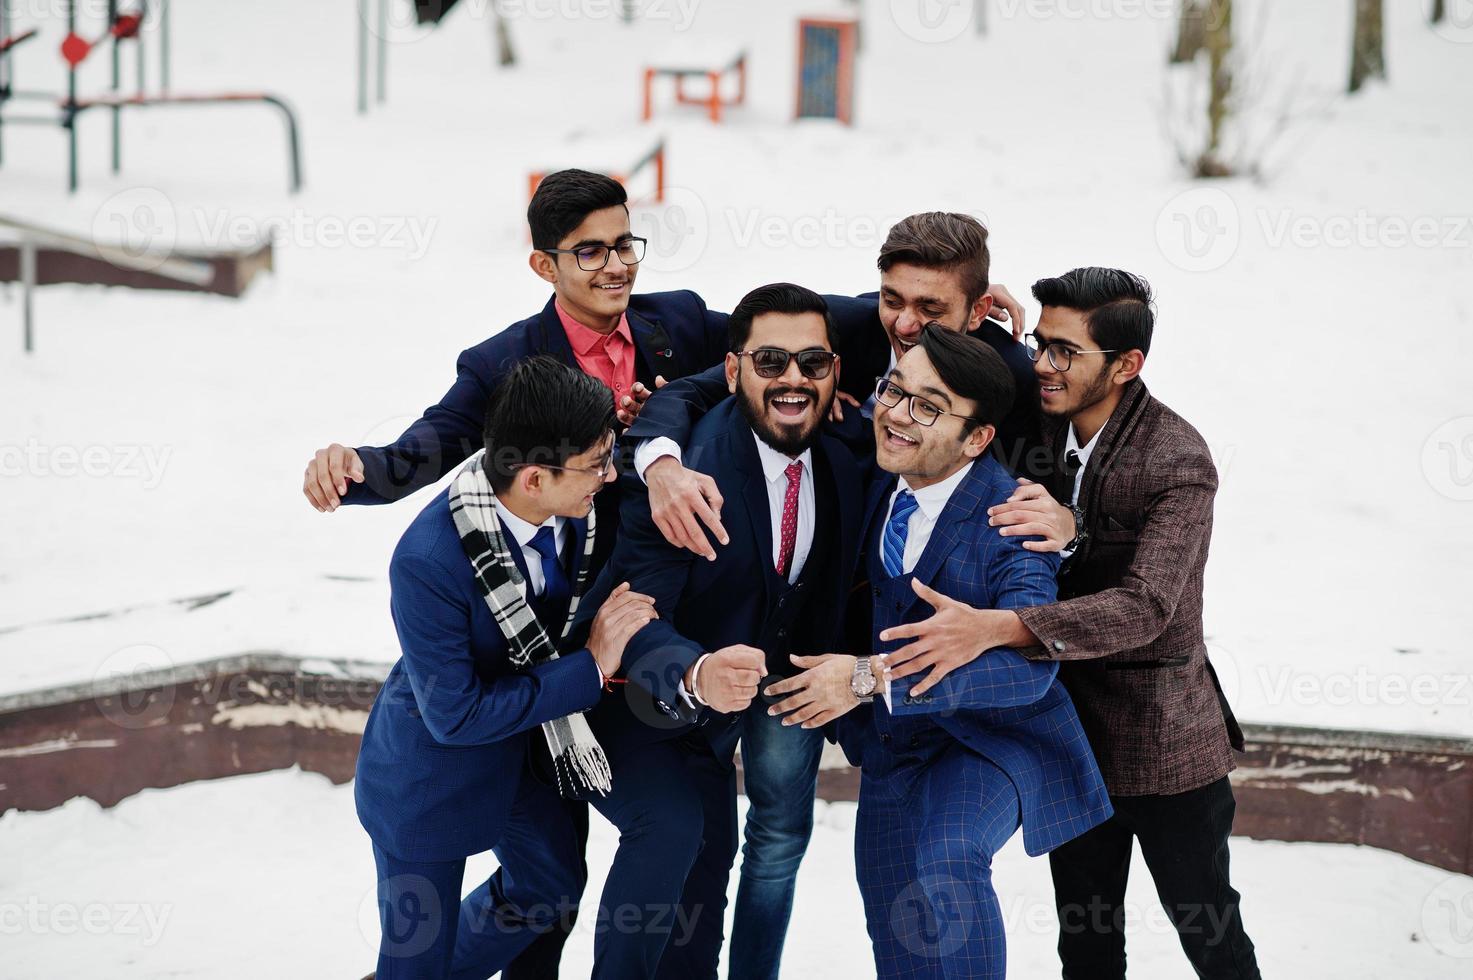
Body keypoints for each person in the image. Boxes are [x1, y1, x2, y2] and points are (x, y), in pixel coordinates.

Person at [621, 213, 1074, 979]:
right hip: (866, 722)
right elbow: (714, 375)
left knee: (927, 859)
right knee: (882, 911)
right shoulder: (859, 412)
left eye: (928, 311)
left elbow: (1032, 632)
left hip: (959, 727)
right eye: (894, 391)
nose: (902, 322)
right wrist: (659, 457)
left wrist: (1065, 524)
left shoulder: (1004, 441)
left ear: (975, 312)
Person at [883, 269, 1261, 979]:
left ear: (1125, 365)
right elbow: (958, 383)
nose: (1042, 366)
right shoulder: (1039, 418)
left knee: (1207, 926)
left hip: (1162, 740)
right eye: (1038, 343)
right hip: (1067, 731)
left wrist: (1003, 623)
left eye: (1065, 352)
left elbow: (1146, 606)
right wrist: (985, 326)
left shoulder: (1178, 460)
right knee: (1084, 937)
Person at [763, 325, 1112, 979]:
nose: (896, 414)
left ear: (977, 438)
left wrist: (871, 676)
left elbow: (1029, 665)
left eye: (927, 407)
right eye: (895, 391)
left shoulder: (1010, 518)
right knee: (897, 929)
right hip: (895, 746)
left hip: (994, 741)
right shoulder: (871, 471)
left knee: (948, 854)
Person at [572, 283, 866, 979]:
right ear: (731, 373)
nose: (793, 378)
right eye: (769, 361)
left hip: (773, 699)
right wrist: (694, 672)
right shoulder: (683, 475)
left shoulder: (850, 455)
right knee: (680, 877)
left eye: (812, 363)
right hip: (660, 715)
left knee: (749, 859)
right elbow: (627, 612)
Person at [353, 356, 658, 979]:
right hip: (428, 779)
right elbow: (456, 716)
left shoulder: (577, 506)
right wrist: (592, 667)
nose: (609, 474)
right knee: (414, 964)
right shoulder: (427, 561)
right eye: (597, 464)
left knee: (551, 885)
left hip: (520, 752)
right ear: (535, 479)